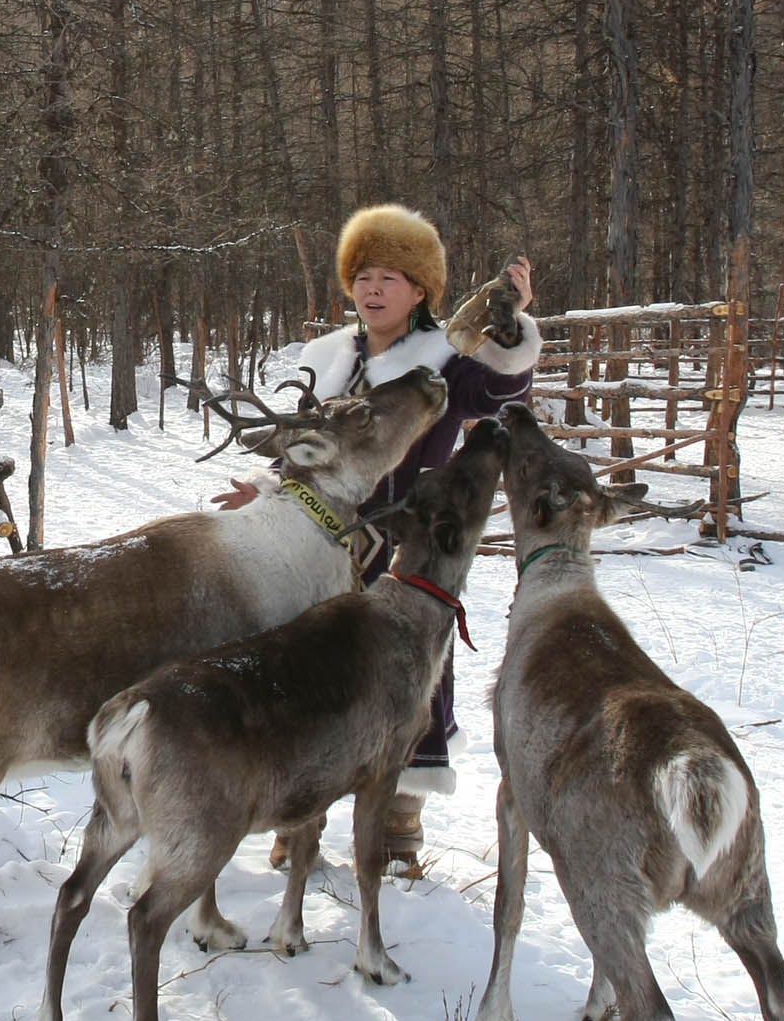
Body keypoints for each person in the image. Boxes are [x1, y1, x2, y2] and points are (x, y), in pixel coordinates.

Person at [215, 203, 541, 876]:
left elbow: (499, 392)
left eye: (390, 277)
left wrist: (512, 333)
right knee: (311, 671)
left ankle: (397, 824)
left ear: (419, 291)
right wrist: (266, 488)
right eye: (363, 275)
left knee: (407, 680)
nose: (372, 289)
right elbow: (305, 448)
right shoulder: (328, 360)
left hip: (406, 544)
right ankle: (298, 817)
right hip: (321, 542)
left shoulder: (447, 360)